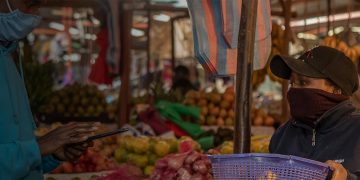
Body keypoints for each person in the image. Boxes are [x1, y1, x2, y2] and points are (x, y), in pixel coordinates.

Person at [0, 0, 98, 179]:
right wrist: (39, 148)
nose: (35, 13)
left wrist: (52, 154)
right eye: (30, 3)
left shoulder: (8, 56)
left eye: (39, 5)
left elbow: (18, 154)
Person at [269, 46, 360, 180]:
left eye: (303, 82)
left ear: (336, 90)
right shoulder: (282, 135)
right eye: (292, 82)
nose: (294, 89)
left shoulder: (357, 130)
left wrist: (347, 177)